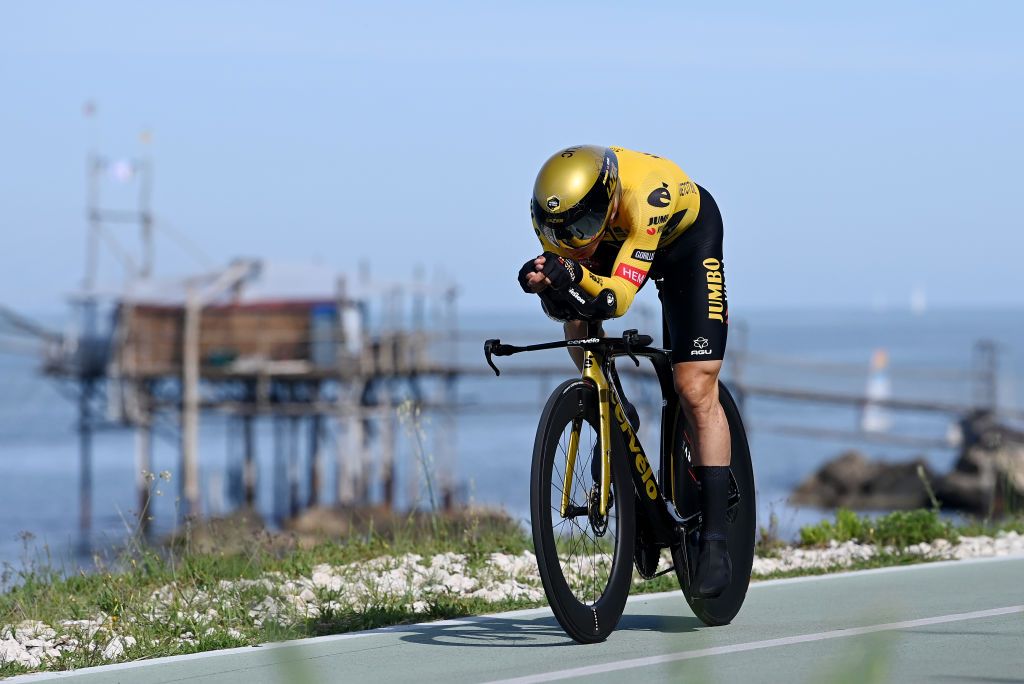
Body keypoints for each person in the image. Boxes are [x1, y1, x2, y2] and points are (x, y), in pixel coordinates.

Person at [517, 145, 732, 598]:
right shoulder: (563, 217)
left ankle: (714, 541)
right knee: (576, 312)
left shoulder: (645, 197)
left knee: (693, 387)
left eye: (582, 227)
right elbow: (572, 295)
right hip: (618, 241)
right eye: (562, 232)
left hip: (682, 244)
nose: (574, 238)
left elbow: (616, 298)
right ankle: (615, 410)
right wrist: (549, 284)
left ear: (609, 198)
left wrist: (573, 276)